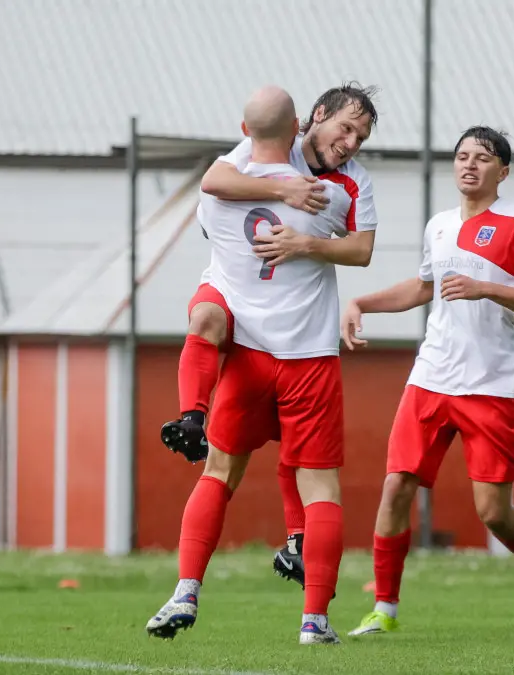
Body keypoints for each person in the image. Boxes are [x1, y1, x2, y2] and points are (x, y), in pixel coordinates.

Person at [145, 85, 366, 645]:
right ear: (303, 124)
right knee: (320, 486)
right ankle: (314, 619)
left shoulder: (227, 182)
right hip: (307, 357)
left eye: (359, 135)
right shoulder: (333, 193)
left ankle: (186, 590)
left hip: (245, 352)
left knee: (219, 471)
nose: (351, 142)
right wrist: (296, 202)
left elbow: (214, 181)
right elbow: (361, 248)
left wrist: (280, 200)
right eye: (346, 129)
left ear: (247, 132)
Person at [339, 126, 514, 637]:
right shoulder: (438, 225)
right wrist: (361, 302)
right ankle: (384, 610)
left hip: (490, 385)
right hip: (431, 377)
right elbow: (423, 288)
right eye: (462, 156)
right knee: (396, 485)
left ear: (502, 171)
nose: (469, 164)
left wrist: (485, 288)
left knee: (493, 513)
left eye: (482, 157)